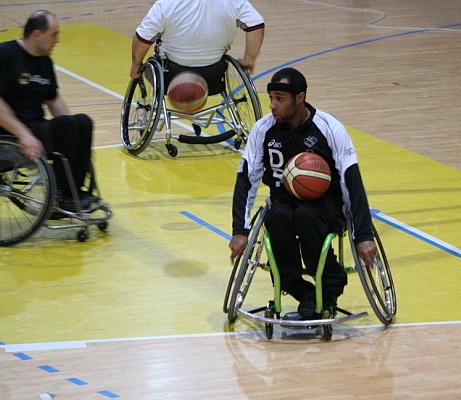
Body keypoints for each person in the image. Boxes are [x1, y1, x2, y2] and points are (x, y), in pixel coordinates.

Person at [229, 67, 377, 320]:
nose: (272, 105)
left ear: (300, 98)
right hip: (282, 199)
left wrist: (363, 234)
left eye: (280, 99)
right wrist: (240, 230)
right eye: (271, 98)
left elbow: (351, 181)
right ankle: (303, 292)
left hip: (326, 202)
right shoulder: (263, 129)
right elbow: (246, 178)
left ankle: (331, 283)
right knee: (279, 217)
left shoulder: (329, 128)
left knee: (306, 217)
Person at [0, 10, 102, 212]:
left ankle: (73, 193)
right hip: (9, 135)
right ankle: (61, 195)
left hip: (36, 129)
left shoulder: (45, 61)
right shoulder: (5, 55)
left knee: (82, 121)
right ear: (38, 35)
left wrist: (81, 140)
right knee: (66, 125)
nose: (58, 40)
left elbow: (53, 99)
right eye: (54, 34)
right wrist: (24, 135)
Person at [129, 0, 265, 96]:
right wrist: (249, 59)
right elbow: (256, 24)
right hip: (214, 73)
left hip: (171, 74)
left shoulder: (166, 4)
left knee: (148, 66)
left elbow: (143, 38)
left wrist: (136, 64)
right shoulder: (232, 2)